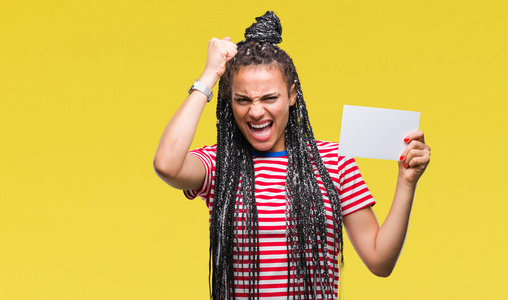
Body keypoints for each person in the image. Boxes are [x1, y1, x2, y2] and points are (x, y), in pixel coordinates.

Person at [153, 11, 430, 300]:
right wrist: (210, 75)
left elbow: (380, 260)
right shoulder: (218, 164)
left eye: (270, 98)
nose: (256, 111)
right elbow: (167, 164)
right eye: (243, 100)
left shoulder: (334, 161)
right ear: (230, 102)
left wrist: (406, 182)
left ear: (292, 95)